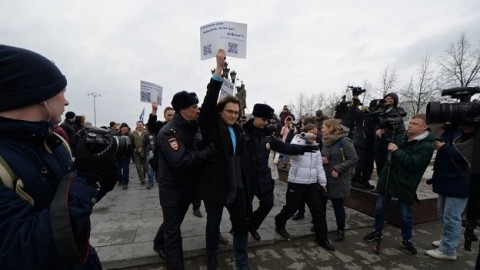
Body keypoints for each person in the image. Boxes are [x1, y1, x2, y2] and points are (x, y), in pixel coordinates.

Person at [0, 44, 119, 269]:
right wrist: (87, 178)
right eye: (61, 92)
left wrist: (102, 174)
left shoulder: (53, 141)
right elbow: (24, 248)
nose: (66, 101)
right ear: (35, 93)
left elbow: (68, 208)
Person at [197, 49, 251, 270]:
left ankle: (242, 264)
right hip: (216, 187)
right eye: (229, 111)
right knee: (213, 226)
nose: (233, 115)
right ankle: (212, 262)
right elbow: (209, 103)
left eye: (236, 113)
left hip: (237, 187)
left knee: (241, 226)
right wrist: (218, 70)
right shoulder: (211, 125)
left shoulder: (238, 130)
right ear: (221, 112)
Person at [152, 90, 216, 270]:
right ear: (182, 110)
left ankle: (158, 243)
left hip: (187, 188)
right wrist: (206, 152)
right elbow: (180, 161)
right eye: (194, 107)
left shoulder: (192, 127)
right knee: (173, 233)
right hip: (171, 190)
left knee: (173, 222)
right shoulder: (167, 132)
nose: (197, 110)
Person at [244, 103, 318, 243]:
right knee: (244, 209)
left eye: (268, 121)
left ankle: (252, 226)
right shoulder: (243, 133)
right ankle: (242, 230)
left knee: (268, 204)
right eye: (263, 120)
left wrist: (303, 149)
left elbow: (284, 147)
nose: (266, 123)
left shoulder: (268, 136)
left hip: (263, 177)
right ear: (255, 117)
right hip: (247, 178)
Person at [364, 114, 434, 255]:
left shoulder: (426, 146)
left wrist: (397, 150)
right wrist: (382, 137)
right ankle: (377, 231)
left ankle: (406, 240)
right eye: (410, 122)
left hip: (405, 183)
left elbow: (413, 163)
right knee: (379, 209)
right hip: (389, 179)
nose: (410, 125)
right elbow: (386, 148)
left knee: (405, 214)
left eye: (414, 123)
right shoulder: (401, 136)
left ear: (425, 127)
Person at [274, 124, 335, 251]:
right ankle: (279, 222)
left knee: (318, 210)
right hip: (296, 182)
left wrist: (323, 182)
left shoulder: (316, 146)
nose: (315, 135)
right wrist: (301, 139)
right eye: (312, 132)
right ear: (305, 132)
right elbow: (294, 156)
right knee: (291, 208)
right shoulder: (297, 141)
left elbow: (319, 166)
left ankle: (322, 238)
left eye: (316, 132)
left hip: (312, 183)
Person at [425, 123, 473, 260]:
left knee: (452, 217)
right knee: (443, 213)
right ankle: (446, 240)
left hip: (459, 181)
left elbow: (465, 157)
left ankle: (448, 250)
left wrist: (444, 147)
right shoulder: (451, 132)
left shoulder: (470, 136)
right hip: (446, 179)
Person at [320, 119, 358, 241]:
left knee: (338, 206)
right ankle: (320, 226)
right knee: (321, 205)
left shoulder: (344, 141)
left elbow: (353, 159)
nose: (321, 129)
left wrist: (338, 168)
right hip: (324, 179)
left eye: (324, 127)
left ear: (331, 128)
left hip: (339, 180)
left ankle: (340, 230)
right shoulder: (325, 141)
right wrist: (321, 159)